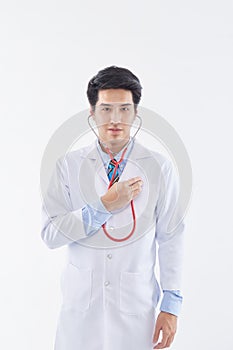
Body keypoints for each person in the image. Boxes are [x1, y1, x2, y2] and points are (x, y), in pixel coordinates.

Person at [41, 66, 185, 350]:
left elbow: (171, 237)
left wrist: (171, 306)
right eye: (106, 109)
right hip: (81, 311)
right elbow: (50, 234)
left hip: (136, 307)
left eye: (124, 109)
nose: (115, 119)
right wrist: (104, 205)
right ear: (92, 114)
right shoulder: (67, 167)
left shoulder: (158, 167)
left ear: (136, 114)